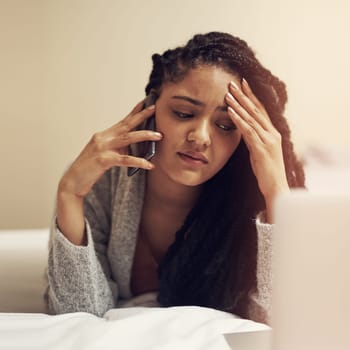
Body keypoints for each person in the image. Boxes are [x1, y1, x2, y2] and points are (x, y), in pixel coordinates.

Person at [46, 31, 305, 324]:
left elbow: (278, 323)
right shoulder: (103, 179)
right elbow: (75, 317)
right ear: (151, 105)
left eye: (225, 125)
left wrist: (276, 195)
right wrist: (69, 193)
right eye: (183, 113)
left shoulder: (255, 200)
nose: (200, 137)